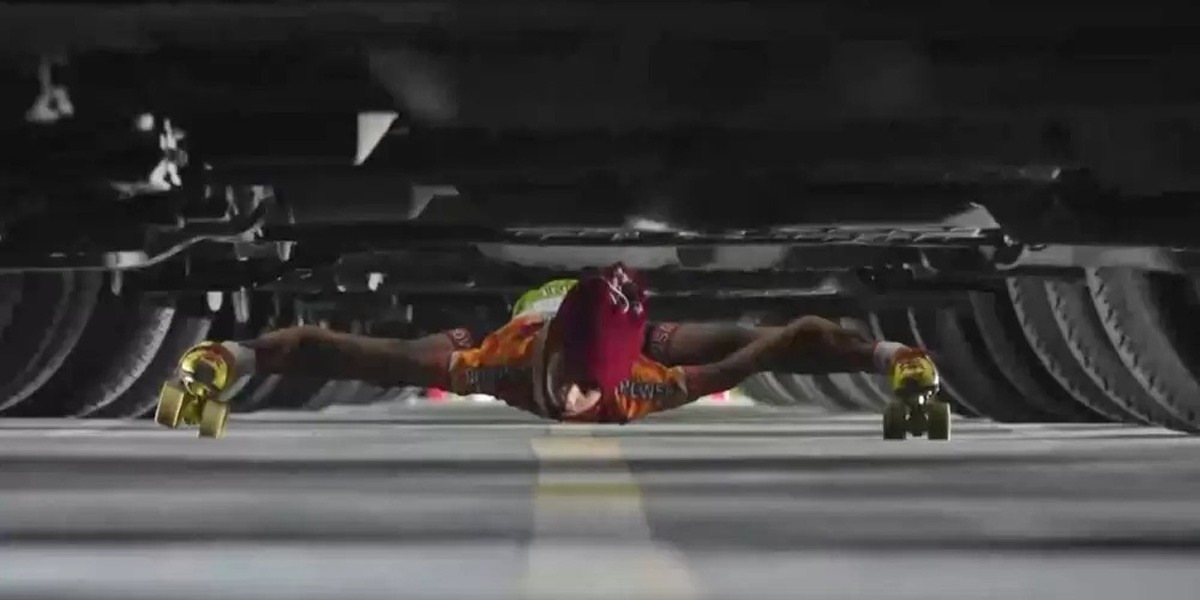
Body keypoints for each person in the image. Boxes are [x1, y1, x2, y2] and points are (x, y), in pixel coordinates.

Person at [155, 263, 941, 436]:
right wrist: (227, 359)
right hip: (531, 326)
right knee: (411, 354)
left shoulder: (643, 385)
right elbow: (339, 350)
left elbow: (786, 340)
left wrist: (898, 363)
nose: (572, 400)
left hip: (624, 335)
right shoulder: (496, 363)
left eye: (587, 390)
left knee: (729, 344)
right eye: (573, 383)